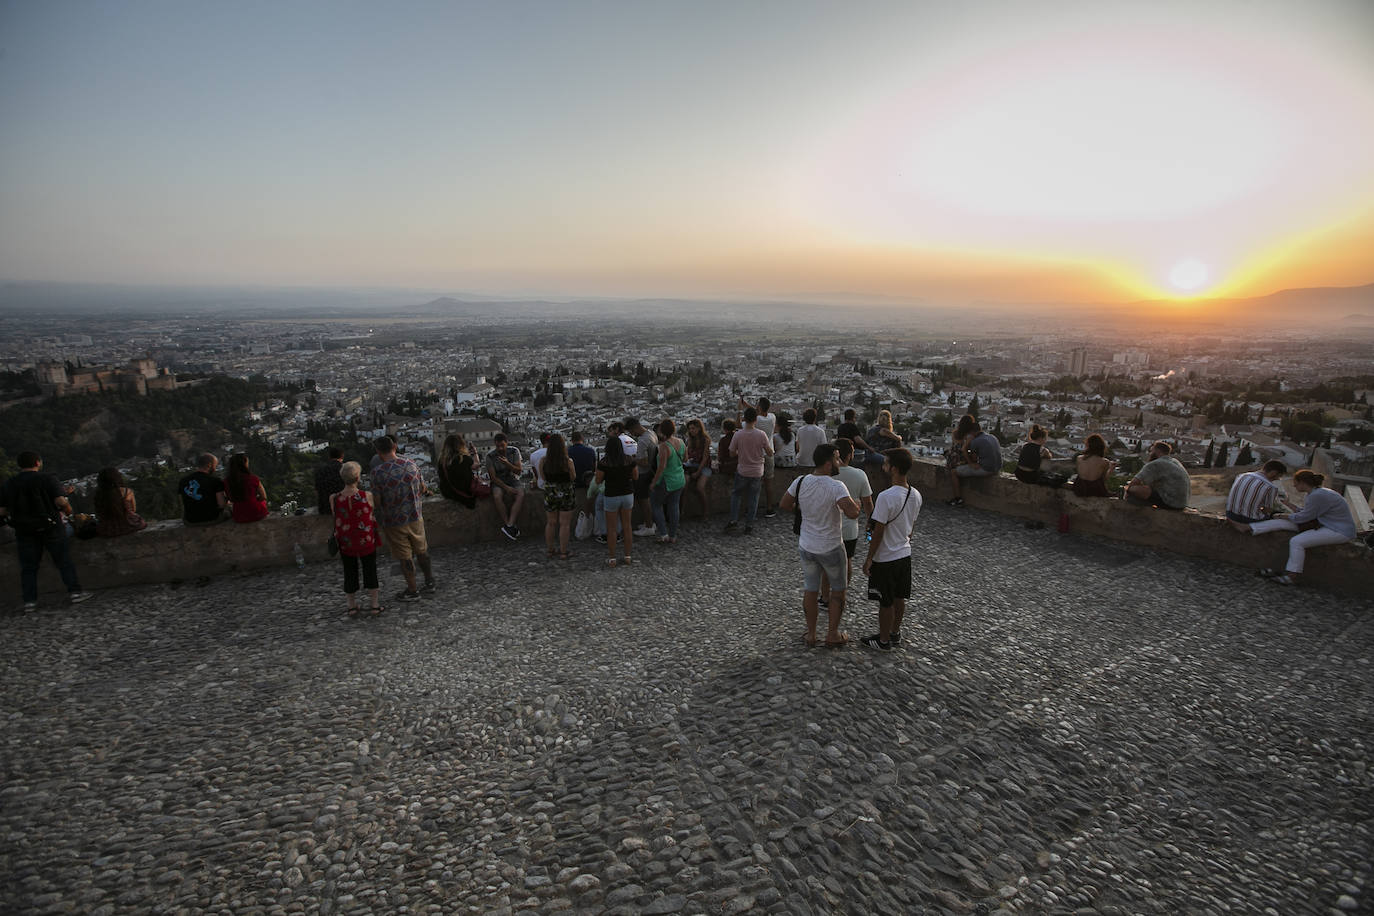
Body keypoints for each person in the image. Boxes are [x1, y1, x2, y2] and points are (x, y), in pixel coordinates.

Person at [779, 443, 861, 648]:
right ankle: (832, 634)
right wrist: (857, 505)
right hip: (831, 546)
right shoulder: (836, 486)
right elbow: (852, 512)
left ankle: (811, 634)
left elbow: (784, 504)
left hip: (807, 545)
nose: (839, 462)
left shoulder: (800, 481)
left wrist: (805, 508)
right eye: (836, 458)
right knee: (838, 590)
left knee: (811, 589)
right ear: (827, 464)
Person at [0, 451, 91, 612]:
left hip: (24, 530)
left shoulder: (9, 484)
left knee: (28, 567)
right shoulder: (47, 479)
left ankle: (30, 602)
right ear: (37, 463)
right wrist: (68, 510)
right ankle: (75, 592)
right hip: (50, 526)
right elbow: (60, 501)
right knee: (63, 561)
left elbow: (2, 511)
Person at [1239, 470, 1356, 586]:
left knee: (1297, 541)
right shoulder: (1314, 493)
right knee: (1281, 523)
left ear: (1303, 483)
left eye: (1296, 483)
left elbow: (1303, 517)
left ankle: (1292, 576)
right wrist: (1288, 505)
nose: (1294, 486)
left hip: (1338, 530)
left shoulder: (1317, 495)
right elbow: (1305, 513)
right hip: (1324, 524)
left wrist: (1278, 514)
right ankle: (1250, 527)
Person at [860, 448, 924, 650]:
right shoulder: (916, 494)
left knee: (885, 601)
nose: (883, 466)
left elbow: (878, 532)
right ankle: (895, 633)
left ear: (894, 469)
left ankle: (884, 640)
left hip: (886, 556)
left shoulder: (886, 497)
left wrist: (869, 558)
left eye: (886, 463)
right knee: (899, 597)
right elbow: (911, 527)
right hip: (904, 553)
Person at [372, 435, 435, 601]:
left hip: (394, 521)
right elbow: (422, 488)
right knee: (422, 550)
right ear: (395, 447)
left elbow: (377, 502)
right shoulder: (411, 464)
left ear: (378, 452)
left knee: (405, 556)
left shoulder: (377, 473)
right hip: (415, 515)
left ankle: (413, 590)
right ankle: (430, 581)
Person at [820, 437, 874, 610]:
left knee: (827, 564)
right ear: (850, 455)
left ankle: (825, 597)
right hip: (850, 528)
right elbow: (868, 504)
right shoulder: (859, 475)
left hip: (829, 527)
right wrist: (870, 526)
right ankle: (841, 593)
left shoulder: (826, 474)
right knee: (847, 561)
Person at [331, 461, 383, 617]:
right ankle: (374, 605)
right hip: (365, 539)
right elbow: (372, 511)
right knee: (370, 570)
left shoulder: (334, 498)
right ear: (358, 478)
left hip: (346, 541)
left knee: (349, 571)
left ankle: (352, 606)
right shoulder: (367, 496)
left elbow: (336, 516)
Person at [726, 407, 773, 534]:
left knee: (736, 495)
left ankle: (733, 521)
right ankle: (749, 524)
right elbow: (769, 453)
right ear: (756, 419)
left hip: (742, 470)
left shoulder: (738, 434)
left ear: (744, 419)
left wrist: (741, 451)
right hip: (757, 471)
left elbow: (731, 453)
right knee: (753, 498)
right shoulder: (761, 434)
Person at [596, 434, 638, 567]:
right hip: (627, 495)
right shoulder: (629, 460)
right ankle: (627, 556)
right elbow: (635, 477)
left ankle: (613, 558)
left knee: (612, 528)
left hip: (611, 496)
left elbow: (598, 480)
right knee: (627, 526)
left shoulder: (604, 462)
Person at [539, 433, 578, 559]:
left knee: (550, 523)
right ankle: (563, 552)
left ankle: (550, 550)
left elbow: (543, 478)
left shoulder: (543, 461)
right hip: (566, 493)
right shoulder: (568, 461)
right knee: (564, 524)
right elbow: (573, 478)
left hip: (550, 493)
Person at [946, 418, 1000, 507]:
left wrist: (970, 462)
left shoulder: (975, 441)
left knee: (953, 472)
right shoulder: (992, 437)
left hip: (987, 469)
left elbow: (974, 459)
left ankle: (958, 499)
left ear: (972, 432)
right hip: (997, 467)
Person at [738, 395, 778, 515]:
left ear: (759, 407)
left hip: (757, 455)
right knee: (769, 483)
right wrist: (746, 404)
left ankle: (750, 509)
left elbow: (739, 424)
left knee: (753, 485)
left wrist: (741, 408)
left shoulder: (756, 420)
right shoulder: (772, 417)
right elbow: (758, 412)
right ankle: (769, 508)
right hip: (770, 454)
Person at [650, 418, 688, 544]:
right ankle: (672, 536)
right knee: (674, 506)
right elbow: (685, 459)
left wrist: (653, 483)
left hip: (666, 481)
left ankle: (663, 534)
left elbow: (661, 468)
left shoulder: (663, 447)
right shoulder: (681, 442)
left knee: (656, 505)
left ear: (661, 431)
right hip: (680, 479)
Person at [1126, 441, 1190, 510]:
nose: (1150, 454)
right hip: (1182, 504)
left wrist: (1127, 491)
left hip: (1171, 503)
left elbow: (1134, 482)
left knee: (1132, 489)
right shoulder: (1175, 462)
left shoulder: (1156, 463)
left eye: (1151, 451)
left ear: (1157, 451)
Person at [486, 432, 525, 540]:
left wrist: (507, 463)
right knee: (497, 496)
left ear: (507, 443)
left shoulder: (514, 451)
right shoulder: (490, 456)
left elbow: (519, 471)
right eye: (498, 446)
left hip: (513, 479)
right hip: (498, 481)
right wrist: (506, 488)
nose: (500, 448)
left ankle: (509, 524)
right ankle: (508, 524)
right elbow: (493, 478)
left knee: (520, 494)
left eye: (502, 445)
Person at [1225, 460, 1288, 525]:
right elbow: (1266, 510)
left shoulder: (1242, 476)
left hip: (1230, 515)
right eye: (1279, 476)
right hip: (1249, 519)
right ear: (1273, 473)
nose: (1278, 479)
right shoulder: (1270, 487)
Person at [626, 417, 659, 536]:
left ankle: (649, 526)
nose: (631, 434)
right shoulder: (652, 433)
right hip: (650, 472)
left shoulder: (642, 441)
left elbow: (644, 462)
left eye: (631, 431)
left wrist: (632, 459)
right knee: (647, 500)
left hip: (643, 474)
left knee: (644, 501)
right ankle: (648, 522)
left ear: (634, 428)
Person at [93, 467, 146, 537]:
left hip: (107, 529)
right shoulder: (127, 492)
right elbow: (133, 509)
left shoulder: (99, 496)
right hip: (129, 524)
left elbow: (98, 514)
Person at [180, 453, 229, 526]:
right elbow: (221, 504)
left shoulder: (183, 481)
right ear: (209, 465)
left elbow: (182, 504)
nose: (215, 468)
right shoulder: (216, 481)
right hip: (212, 519)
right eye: (215, 465)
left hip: (190, 521)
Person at [225, 453, 269, 523]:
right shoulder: (253, 478)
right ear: (244, 464)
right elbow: (263, 497)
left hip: (239, 515)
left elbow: (230, 498)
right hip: (256, 513)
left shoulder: (227, 481)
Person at [683, 418, 713, 519]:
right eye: (690, 428)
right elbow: (686, 455)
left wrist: (698, 472)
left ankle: (706, 512)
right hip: (691, 465)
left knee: (700, 487)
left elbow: (705, 459)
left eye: (693, 428)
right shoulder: (689, 440)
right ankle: (682, 511)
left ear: (699, 428)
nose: (691, 430)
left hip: (704, 466)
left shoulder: (706, 440)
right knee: (684, 486)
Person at [436, 433, 476, 509]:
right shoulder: (463, 458)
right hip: (463, 492)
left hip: (448, 493)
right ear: (460, 445)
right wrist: (475, 453)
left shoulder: (441, 460)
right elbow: (476, 465)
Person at [314, 446, 346, 515]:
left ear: (329, 457)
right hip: (343, 507)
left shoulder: (320, 470)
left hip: (325, 509)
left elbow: (317, 492)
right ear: (342, 456)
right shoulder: (346, 469)